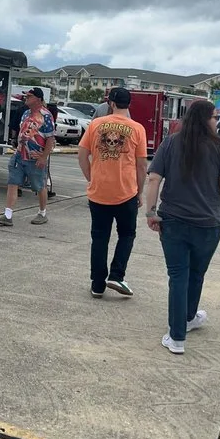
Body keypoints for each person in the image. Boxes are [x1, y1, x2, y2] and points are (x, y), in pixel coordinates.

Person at [144, 99, 220, 354]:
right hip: (209, 222)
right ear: (205, 119)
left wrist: (151, 212)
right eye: (215, 117)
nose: (217, 121)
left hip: (173, 219)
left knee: (178, 276)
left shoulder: (170, 142)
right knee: (196, 273)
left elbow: (153, 179)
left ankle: (178, 336)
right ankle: (188, 317)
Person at [80, 88, 150, 299]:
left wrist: (91, 178)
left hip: (99, 191)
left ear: (110, 103)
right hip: (125, 191)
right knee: (127, 234)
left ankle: (97, 284)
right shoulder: (137, 129)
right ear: (129, 104)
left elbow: (82, 155)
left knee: (99, 237)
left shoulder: (95, 124)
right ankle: (117, 274)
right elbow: (141, 165)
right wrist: (139, 191)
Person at [0, 89, 56, 225]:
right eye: (26, 96)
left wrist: (43, 157)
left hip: (35, 157)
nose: (26, 98)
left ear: (39, 99)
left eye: (30, 96)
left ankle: (42, 213)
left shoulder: (46, 116)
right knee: (12, 183)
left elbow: (50, 138)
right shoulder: (25, 113)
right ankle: (8, 215)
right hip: (19, 155)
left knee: (39, 186)